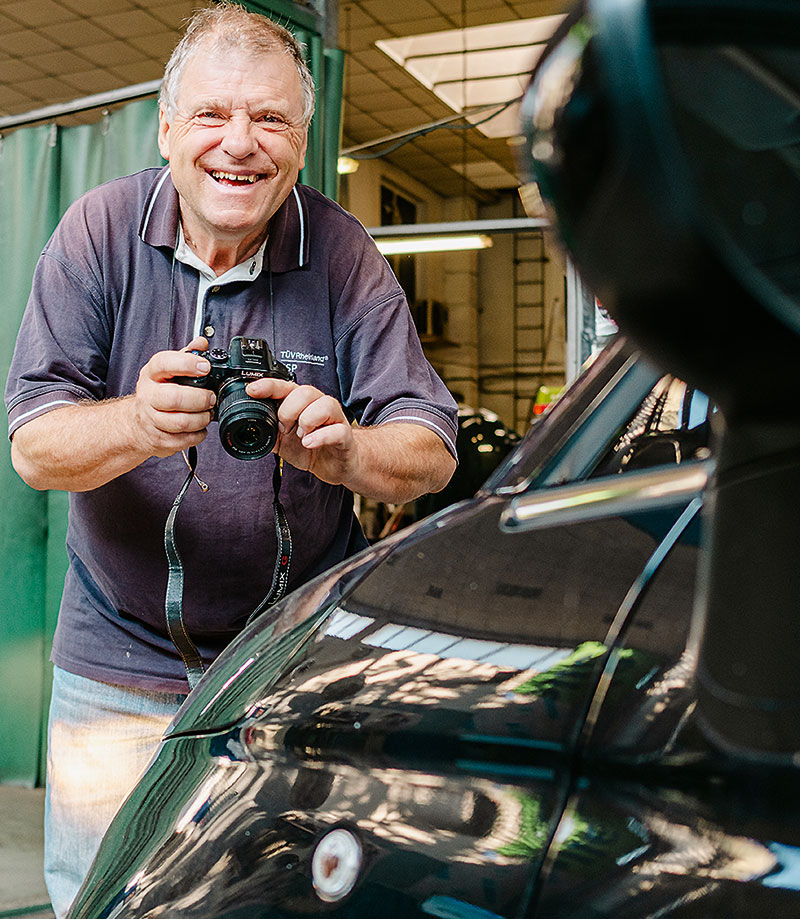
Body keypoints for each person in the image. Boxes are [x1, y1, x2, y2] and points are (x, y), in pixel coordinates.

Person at [4, 4, 457, 915]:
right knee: (105, 900)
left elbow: (432, 452)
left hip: (290, 668)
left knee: (280, 900)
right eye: (212, 115)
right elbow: (34, 446)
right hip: (116, 666)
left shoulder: (342, 251)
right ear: (167, 127)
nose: (238, 145)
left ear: (301, 137)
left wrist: (345, 452)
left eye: (271, 119)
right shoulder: (98, 231)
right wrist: (139, 421)